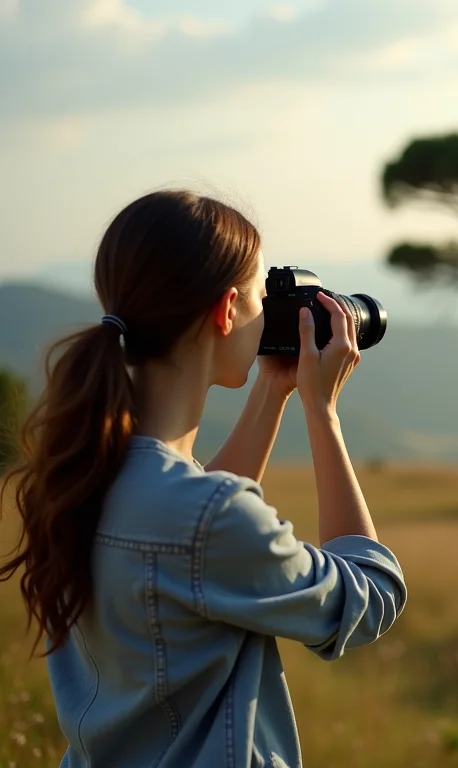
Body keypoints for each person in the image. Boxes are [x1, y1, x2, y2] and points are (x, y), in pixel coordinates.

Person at [0, 190, 407, 768]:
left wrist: (274, 389)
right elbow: (368, 596)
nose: (268, 316)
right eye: (261, 297)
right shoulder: (202, 516)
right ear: (226, 310)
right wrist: (323, 412)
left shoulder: (84, 476)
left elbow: (191, 537)